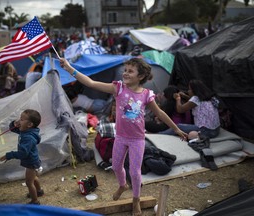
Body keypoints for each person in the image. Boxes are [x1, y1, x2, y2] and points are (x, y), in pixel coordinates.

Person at [60, 57, 187, 215]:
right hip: (120, 137)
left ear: (140, 77)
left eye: (130, 71)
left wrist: (175, 129)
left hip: (137, 139)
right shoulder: (118, 88)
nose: (125, 73)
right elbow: (91, 83)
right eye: (125, 70)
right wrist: (69, 68)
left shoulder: (147, 94)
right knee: (116, 166)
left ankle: (136, 201)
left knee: (134, 172)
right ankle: (122, 185)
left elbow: (160, 113)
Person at [0, 109, 44, 205]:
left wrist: (9, 155)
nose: (19, 121)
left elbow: (23, 153)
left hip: (31, 162)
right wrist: (14, 123)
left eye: (22, 119)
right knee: (34, 178)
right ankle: (39, 191)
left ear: (29, 124)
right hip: (32, 160)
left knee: (29, 182)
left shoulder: (28, 137)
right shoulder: (26, 131)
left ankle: (35, 201)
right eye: (20, 118)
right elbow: (14, 128)